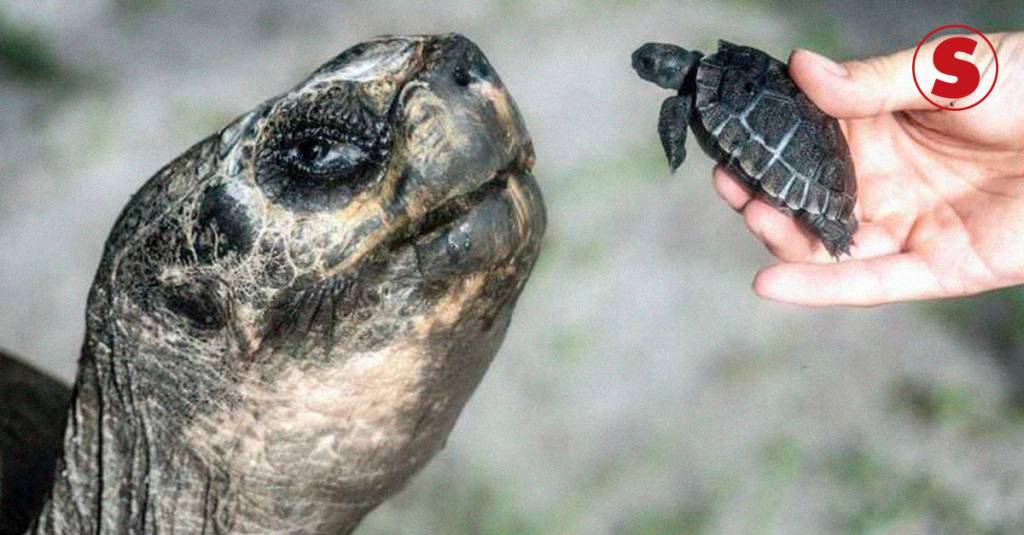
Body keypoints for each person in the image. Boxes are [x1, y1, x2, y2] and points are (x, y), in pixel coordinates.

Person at [713, 32, 1023, 307]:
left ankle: (832, 227)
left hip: (806, 162)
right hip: (821, 170)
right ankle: (833, 224)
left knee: (816, 219)